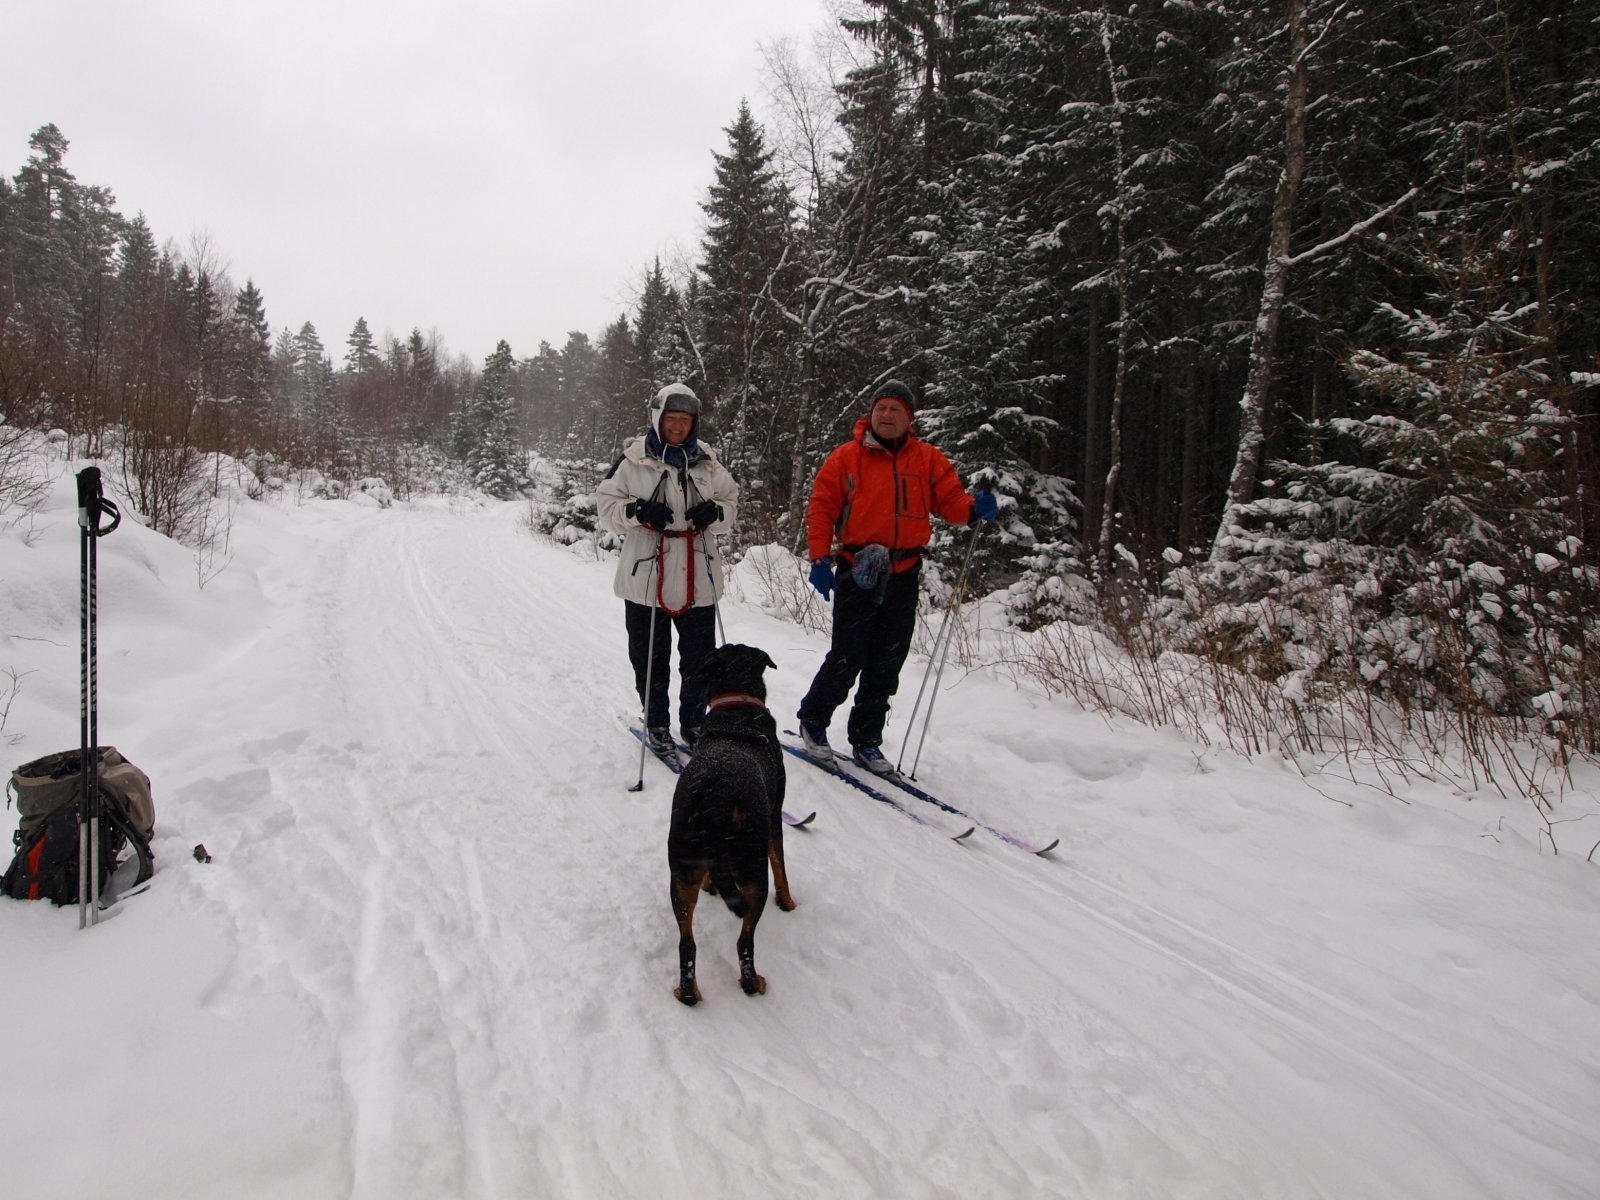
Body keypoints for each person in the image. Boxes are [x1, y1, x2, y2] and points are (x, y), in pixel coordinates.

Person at [796, 379, 999, 774]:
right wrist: (819, 558)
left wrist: (975, 508)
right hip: (858, 570)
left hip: (904, 572)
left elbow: (951, 503)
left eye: (896, 410)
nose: (887, 415)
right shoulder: (846, 458)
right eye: (881, 409)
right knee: (847, 655)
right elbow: (821, 507)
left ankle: (866, 740)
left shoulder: (927, 460)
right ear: (871, 414)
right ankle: (813, 721)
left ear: (909, 418)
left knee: (887, 662)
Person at [597, 383, 738, 760]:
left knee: (699, 659)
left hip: (699, 576)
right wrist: (637, 513)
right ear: (658, 419)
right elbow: (606, 507)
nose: (678, 426)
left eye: (685, 420)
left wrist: (717, 513)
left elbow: (730, 502)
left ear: (693, 423)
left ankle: (693, 723)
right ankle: (656, 722)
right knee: (649, 658)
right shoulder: (632, 460)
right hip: (646, 575)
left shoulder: (708, 461)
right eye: (671, 419)